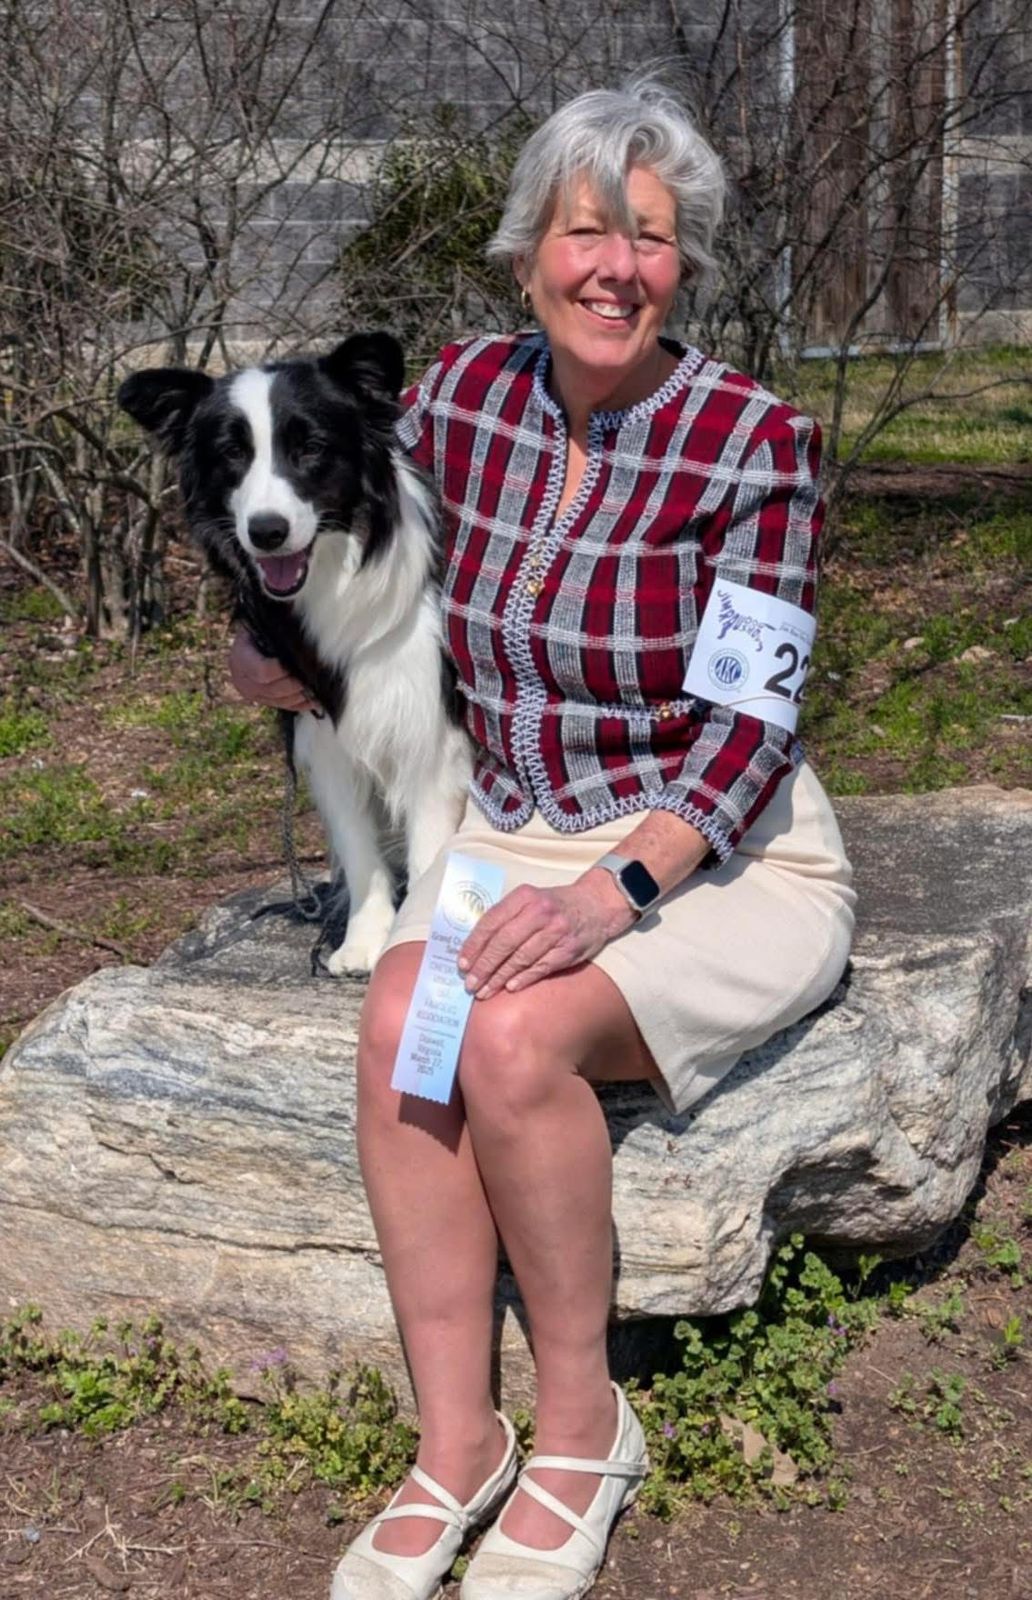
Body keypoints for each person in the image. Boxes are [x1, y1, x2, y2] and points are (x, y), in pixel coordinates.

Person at [230, 78, 856, 1600]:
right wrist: (273, 651)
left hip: (720, 851)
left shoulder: (752, 440)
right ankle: (457, 1443)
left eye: (651, 238)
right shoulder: (463, 397)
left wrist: (608, 896)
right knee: (402, 1025)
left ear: (682, 264)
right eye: (587, 233)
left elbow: (749, 729)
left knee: (509, 1040)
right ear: (529, 256)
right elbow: (331, 535)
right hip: (517, 829)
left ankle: (583, 1431)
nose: (616, 269)